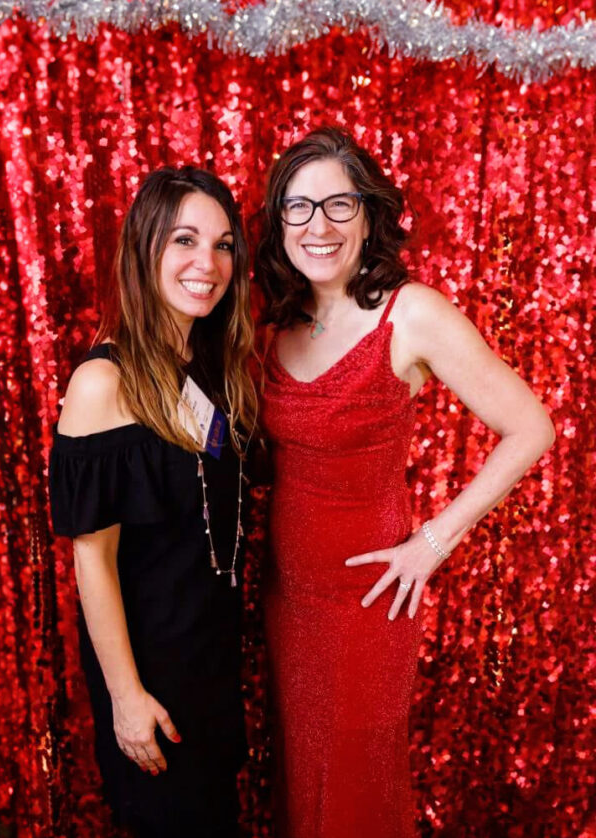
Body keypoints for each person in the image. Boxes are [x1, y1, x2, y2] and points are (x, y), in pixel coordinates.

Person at [254, 125, 555, 838]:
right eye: (299, 207)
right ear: (278, 223)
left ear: (368, 216)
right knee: (306, 789)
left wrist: (432, 542)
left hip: (370, 603)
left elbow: (531, 427)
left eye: (339, 204)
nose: (318, 225)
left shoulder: (409, 312)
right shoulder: (276, 322)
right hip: (287, 601)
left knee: (356, 794)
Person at [48, 166, 260, 837]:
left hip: (213, 664)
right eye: (186, 241)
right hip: (152, 677)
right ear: (146, 250)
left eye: (224, 245)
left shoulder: (215, 369)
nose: (208, 263)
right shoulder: (101, 382)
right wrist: (126, 697)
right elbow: (94, 562)